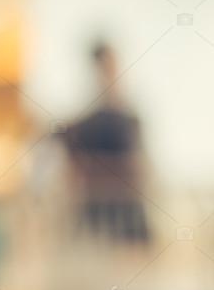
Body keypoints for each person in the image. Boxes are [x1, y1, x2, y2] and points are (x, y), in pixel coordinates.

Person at [62, 40, 150, 243]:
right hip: (96, 213)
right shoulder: (89, 120)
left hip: (126, 212)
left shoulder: (127, 118)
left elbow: (137, 164)